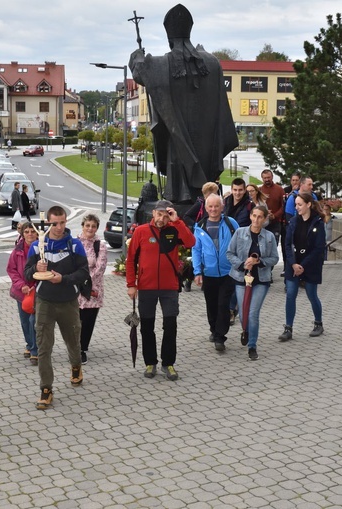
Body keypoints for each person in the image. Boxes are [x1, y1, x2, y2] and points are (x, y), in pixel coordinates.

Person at [128, 4, 238, 203]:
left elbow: (140, 71)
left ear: (169, 37)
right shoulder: (212, 63)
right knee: (205, 190)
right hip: (207, 140)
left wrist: (137, 56)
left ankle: (180, 197)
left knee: (178, 187)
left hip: (178, 142)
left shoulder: (162, 64)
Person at [24, 206, 90, 410]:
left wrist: (64, 279)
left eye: (62, 222)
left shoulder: (75, 244)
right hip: (44, 301)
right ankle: (46, 389)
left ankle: (76, 366)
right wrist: (36, 268)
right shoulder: (37, 245)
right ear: (47, 223)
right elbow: (27, 273)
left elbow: (84, 273)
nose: (59, 227)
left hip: (68, 301)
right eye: (55, 223)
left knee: (73, 341)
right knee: (44, 346)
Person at [126, 199, 196, 380]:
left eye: (166, 216)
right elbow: (131, 259)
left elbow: (191, 242)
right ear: (153, 213)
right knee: (147, 327)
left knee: (170, 326)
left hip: (169, 288)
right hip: (146, 287)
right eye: (159, 214)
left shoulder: (174, 229)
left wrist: (177, 221)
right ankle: (150, 363)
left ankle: (168, 363)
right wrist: (131, 285)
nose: (162, 219)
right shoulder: (141, 231)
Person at [226, 205, 279, 361]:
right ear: (250, 216)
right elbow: (229, 253)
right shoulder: (239, 233)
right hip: (241, 278)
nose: (256, 220)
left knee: (253, 313)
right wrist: (242, 264)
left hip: (261, 279)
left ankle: (252, 346)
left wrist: (259, 261)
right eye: (254, 216)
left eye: (260, 217)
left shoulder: (269, 237)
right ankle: (246, 330)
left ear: (264, 219)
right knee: (243, 313)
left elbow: (275, 258)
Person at [192, 194, 238, 351]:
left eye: (216, 206)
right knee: (211, 305)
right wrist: (197, 272)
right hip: (209, 273)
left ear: (222, 207)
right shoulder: (200, 226)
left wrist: (239, 265)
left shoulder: (231, 223)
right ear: (205, 208)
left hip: (227, 273)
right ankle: (214, 330)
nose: (213, 209)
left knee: (223, 305)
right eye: (210, 206)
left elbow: (240, 244)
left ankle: (220, 336)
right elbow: (196, 250)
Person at [278, 193, 327, 342]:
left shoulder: (318, 223)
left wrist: (303, 265)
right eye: (296, 205)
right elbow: (287, 244)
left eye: (299, 204)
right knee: (291, 294)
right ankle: (288, 328)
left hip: (310, 265)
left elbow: (319, 248)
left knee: (311, 294)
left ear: (308, 205)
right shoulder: (293, 222)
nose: (296, 207)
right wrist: (293, 264)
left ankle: (318, 323)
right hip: (293, 264)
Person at [77, 214, 108, 364]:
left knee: (88, 321)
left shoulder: (100, 245)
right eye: (87, 225)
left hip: (92, 289)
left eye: (93, 226)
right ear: (82, 226)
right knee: (74, 320)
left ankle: (82, 349)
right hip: (74, 288)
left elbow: (100, 267)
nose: (90, 228)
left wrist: (86, 282)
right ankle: (74, 347)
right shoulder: (74, 243)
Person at [7, 221, 39, 365]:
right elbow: (11, 270)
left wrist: (35, 286)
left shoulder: (41, 249)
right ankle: (29, 344)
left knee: (34, 321)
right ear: (22, 234)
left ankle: (34, 350)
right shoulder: (17, 251)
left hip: (37, 291)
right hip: (22, 292)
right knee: (25, 321)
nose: (30, 234)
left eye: (32, 231)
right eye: (27, 232)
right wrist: (22, 286)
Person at [259, 169, 285, 244]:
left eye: (268, 177)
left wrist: (275, 215)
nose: (267, 180)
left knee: (273, 245)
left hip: (275, 223)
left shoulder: (279, 190)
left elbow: (283, 206)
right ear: (262, 178)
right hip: (262, 223)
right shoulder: (259, 190)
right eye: (265, 178)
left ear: (272, 177)